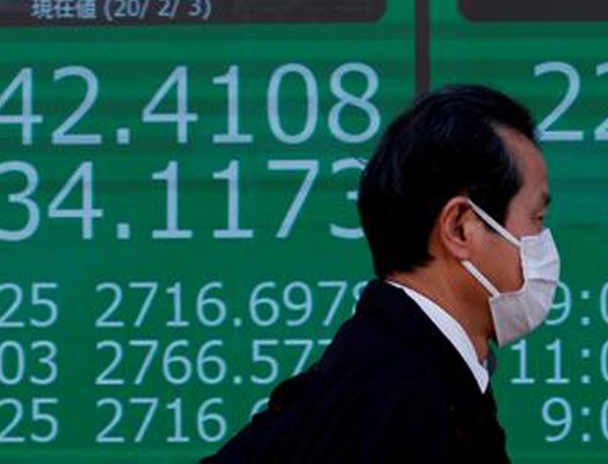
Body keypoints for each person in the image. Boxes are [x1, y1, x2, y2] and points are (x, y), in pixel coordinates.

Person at [202, 85, 560, 463]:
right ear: (459, 228)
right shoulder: (401, 402)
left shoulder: (393, 375)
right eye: (536, 218)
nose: (544, 242)